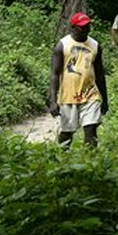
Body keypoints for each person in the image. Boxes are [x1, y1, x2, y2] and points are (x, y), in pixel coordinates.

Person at [48, 12, 108, 148]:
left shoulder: (95, 46)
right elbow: (54, 74)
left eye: (88, 26)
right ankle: (63, 159)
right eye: (82, 27)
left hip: (90, 94)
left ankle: (91, 163)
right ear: (73, 27)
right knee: (67, 134)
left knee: (91, 130)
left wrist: (105, 99)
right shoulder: (62, 45)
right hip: (68, 96)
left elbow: (99, 75)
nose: (86, 29)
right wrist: (52, 100)